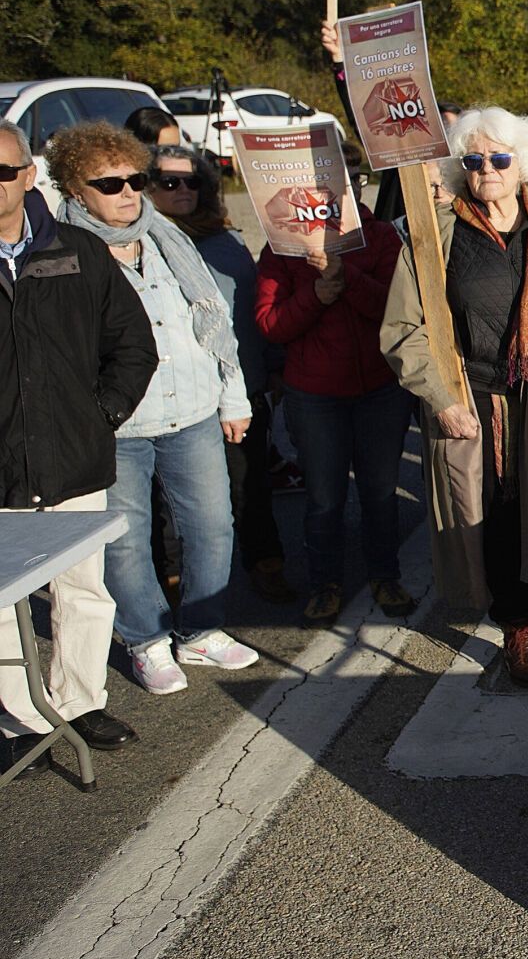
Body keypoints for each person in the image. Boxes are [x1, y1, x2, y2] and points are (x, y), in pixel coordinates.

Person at [380, 107, 528, 686]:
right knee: (501, 514)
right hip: (478, 401)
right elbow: (404, 330)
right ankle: (517, 625)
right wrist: (442, 400)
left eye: (500, 158)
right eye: (475, 159)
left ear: (522, 166)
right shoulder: (436, 233)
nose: (488, 168)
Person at [49, 122, 260, 694]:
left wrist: (233, 396)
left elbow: (211, 319)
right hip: (116, 427)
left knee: (213, 527)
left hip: (192, 410)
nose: (127, 192)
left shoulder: (167, 236)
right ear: (75, 191)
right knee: (124, 539)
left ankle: (200, 631)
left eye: (135, 179)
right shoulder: (60, 253)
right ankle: (145, 639)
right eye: (109, 183)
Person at [0, 120, 157, 773]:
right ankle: (21, 718)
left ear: (29, 176)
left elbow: (132, 345)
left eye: (3, 171)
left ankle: (80, 701)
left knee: (82, 589)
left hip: (73, 458)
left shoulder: (78, 252)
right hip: (3, 469)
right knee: (3, 605)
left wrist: (101, 416)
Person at [254, 181, 412, 623]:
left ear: (355, 184)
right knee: (325, 498)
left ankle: (385, 575)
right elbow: (270, 324)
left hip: (379, 389)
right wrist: (315, 296)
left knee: (380, 493)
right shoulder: (282, 246)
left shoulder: (379, 235)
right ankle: (325, 583)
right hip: (315, 395)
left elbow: (397, 308)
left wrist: (346, 279)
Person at [148, 144, 290, 604]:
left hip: (242, 389)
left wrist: (270, 367)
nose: (183, 189)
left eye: (193, 181)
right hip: (179, 393)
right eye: (170, 182)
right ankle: (174, 577)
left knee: (251, 487)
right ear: (148, 188)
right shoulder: (144, 244)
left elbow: (250, 310)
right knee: (175, 501)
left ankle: (265, 563)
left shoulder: (224, 238)